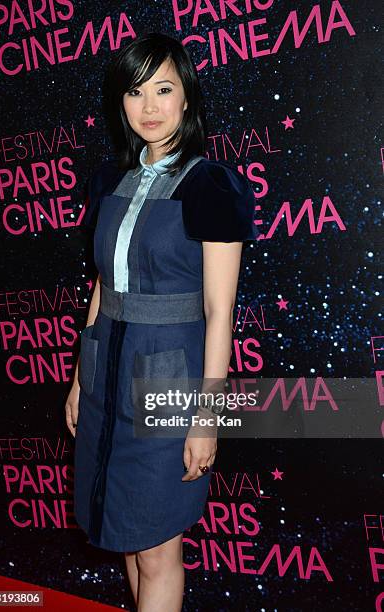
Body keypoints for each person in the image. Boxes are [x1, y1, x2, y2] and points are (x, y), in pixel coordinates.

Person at [65, 31, 258, 612]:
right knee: (124, 533)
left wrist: (207, 418)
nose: (149, 107)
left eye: (163, 89)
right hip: (106, 379)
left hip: (169, 383)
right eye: (134, 92)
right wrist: (79, 380)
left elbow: (220, 311)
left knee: (156, 549)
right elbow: (103, 286)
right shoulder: (108, 182)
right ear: (119, 104)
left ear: (187, 100)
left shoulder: (211, 185)